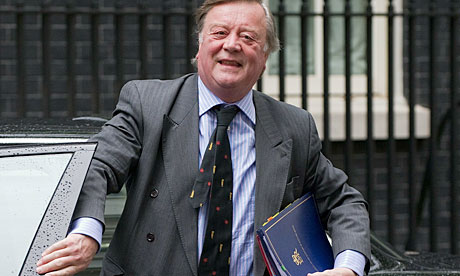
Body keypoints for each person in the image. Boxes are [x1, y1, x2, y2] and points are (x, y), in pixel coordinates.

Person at [36, 0, 370, 275]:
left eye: (248, 37)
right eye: (220, 32)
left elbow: (344, 201)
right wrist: (86, 232)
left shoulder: (293, 126)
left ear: (265, 58)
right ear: (200, 46)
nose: (231, 44)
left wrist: (348, 268)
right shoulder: (146, 103)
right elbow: (96, 167)